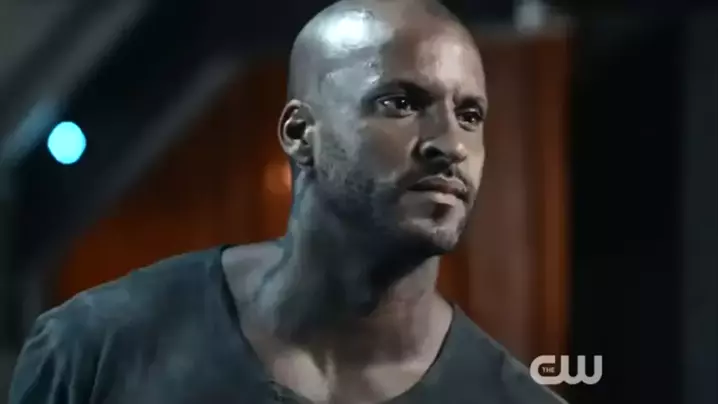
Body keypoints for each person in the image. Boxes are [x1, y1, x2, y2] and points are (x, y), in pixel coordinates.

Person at [9, 0, 568, 403]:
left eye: (469, 115)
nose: (449, 144)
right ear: (301, 133)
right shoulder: (97, 349)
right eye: (399, 103)